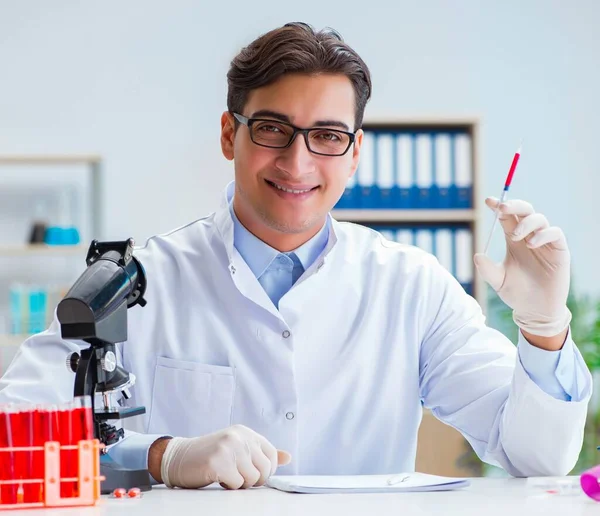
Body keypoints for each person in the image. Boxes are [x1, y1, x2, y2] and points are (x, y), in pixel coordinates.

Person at [0, 22, 592, 491]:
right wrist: (160, 454)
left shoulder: (414, 286)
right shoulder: (141, 278)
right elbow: (13, 433)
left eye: (328, 137)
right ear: (230, 134)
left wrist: (544, 329)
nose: (298, 163)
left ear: (355, 152)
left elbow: (534, 458)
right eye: (272, 130)